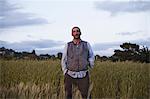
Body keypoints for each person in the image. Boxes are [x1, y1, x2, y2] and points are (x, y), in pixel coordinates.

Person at [61, 26, 95, 99]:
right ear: (72, 34)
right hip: (70, 74)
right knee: (68, 95)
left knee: (86, 95)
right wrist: (65, 71)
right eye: (74, 31)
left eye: (77, 31)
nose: (76, 33)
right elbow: (64, 59)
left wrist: (90, 65)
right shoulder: (68, 45)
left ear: (80, 33)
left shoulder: (86, 44)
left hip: (83, 74)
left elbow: (91, 55)